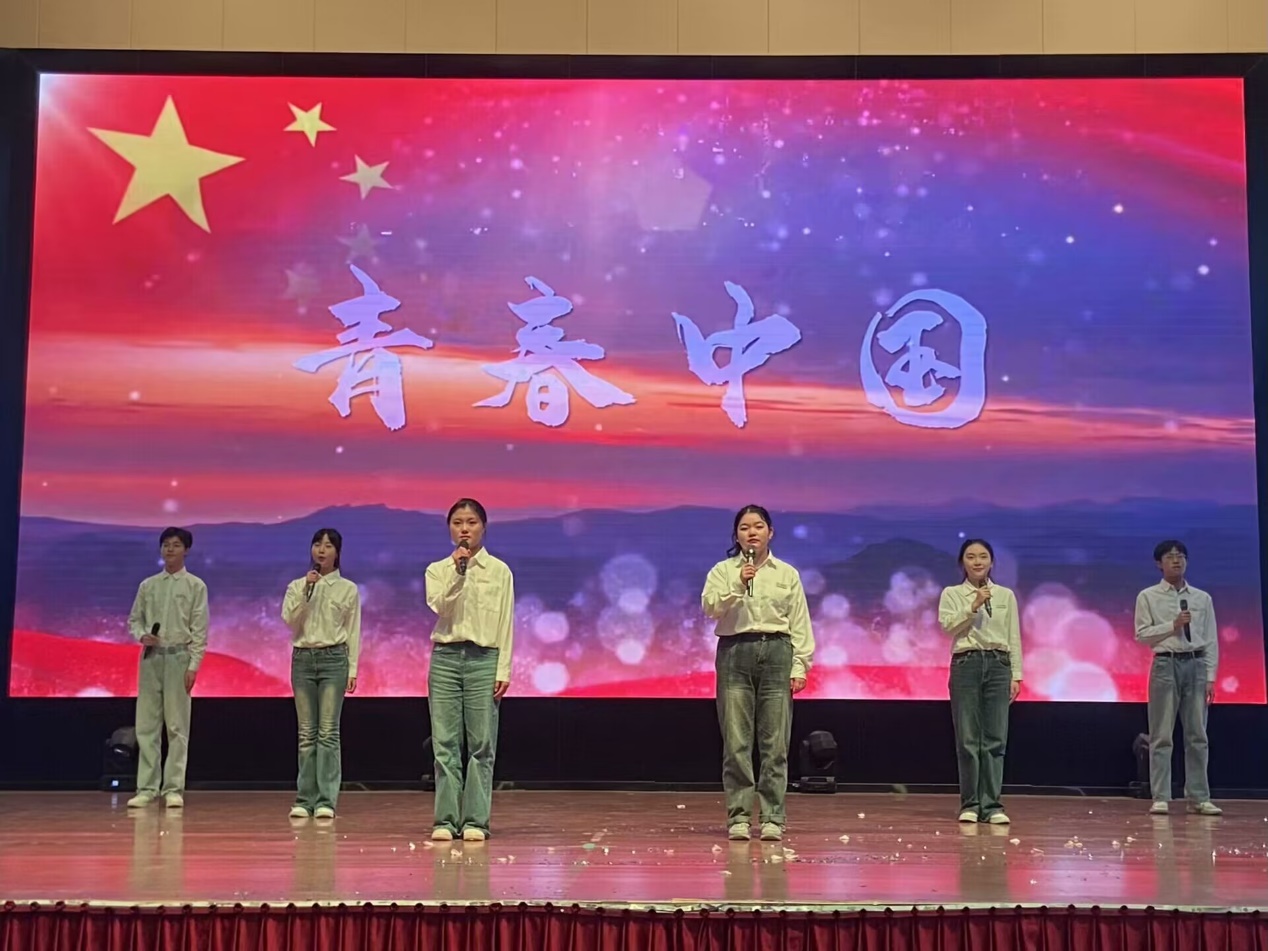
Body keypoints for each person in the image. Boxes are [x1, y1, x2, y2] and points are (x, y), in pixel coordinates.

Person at [702, 504, 814, 843]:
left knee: (774, 742)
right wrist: (738, 583)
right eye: (744, 527)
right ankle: (738, 816)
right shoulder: (723, 571)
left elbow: (800, 622)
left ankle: (772, 818)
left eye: (758, 526)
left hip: (777, 651)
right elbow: (710, 608)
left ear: (770, 532)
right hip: (735, 651)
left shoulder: (786, 573)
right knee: (736, 741)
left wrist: (800, 664)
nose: (752, 532)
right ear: (736, 536)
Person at [424, 498, 515, 842]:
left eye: (471, 522)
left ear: (483, 527)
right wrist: (457, 572)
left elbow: (506, 622)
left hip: (484, 659)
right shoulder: (438, 570)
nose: (464, 529)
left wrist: (503, 668)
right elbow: (440, 607)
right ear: (449, 528)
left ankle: (476, 820)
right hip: (446, 658)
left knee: (481, 744)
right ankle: (446, 820)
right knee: (445, 744)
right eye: (458, 522)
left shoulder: (499, 571)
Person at [937, 538, 1022, 825]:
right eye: (971, 556)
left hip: (999, 664)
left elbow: (1013, 636)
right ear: (962, 562)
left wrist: (1016, 674)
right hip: (967, 663)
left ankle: (993, 805)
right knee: (968, 738)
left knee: (996, 739)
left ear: (991, 562)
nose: (977, 562)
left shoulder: (1006, 595)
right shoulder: (952, 594)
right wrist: (972, 606)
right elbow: (948, 627)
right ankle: (971, 804)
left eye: (983, 556)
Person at [1134, 540, 1222, 816]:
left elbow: (1211, 639)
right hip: (1165, 664)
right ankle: (1161, 796)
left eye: (1181, 556)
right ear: (1159, 564)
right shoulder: (1148, 596)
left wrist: (1210, 676)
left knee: (1197, 734)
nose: (1176, 561)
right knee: (1161, 735)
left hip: (1196, 665)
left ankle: (1199, 797)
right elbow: (1142, 635)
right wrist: (1172, 625)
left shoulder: (1202, 598)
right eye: (1170, 557)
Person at [126, 527, 208, 810]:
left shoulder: (195, 586)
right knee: (147, 725)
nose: (170, 550)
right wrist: (142, 635)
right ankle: (147, 788)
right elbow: (134, 620)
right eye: (166, 545)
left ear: (186, 550)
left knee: (176, 726)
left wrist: (193, 665)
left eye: (176, 545)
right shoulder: (148, 585)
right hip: (151, 657)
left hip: (178, 657)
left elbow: (200, 629)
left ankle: (173, 788)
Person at [281, 528, 360, 820]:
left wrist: (353, 668)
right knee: (306, 734)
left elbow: (353, 631)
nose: (322, 550)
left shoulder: (348, 589)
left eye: (328, 546)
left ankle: (326, 800)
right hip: (303, 659)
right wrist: (305, 592)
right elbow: (289, 620)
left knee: (327, 733)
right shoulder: (297, 586)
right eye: (317, 544)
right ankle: (304, 799)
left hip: (334, 660)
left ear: (337, 552)